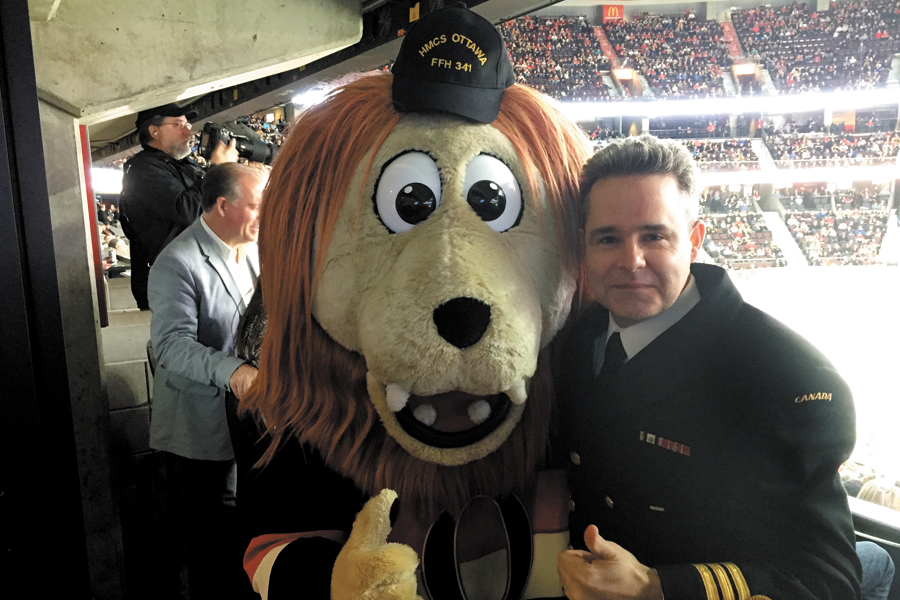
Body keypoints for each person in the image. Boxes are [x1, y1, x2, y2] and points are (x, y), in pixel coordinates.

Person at [556, 135, 861, 600]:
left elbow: (828, 582)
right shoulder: (576, 340)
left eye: (654, 236)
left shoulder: (785, 381)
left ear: (694, 240)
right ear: (584, 245)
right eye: (609, 238)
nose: (630, 261)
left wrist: (656, 586)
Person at [148, 162, 264, 600]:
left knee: (241, 528)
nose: (263, 215)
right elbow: (171, 346)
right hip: (202, 420)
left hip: (247, 416)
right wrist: (232, 370)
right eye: (255, 206)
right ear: (222, 205)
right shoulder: (177, 262)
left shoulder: (251, 250)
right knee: (213, 535)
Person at [119, 103, 237, 309]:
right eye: (179, 124)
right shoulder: (143, 169)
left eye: (188, 124)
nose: (188, 130)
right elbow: (190, 210)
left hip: (194, 276)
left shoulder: (182, 166)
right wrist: (217, 170)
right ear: (154, 131)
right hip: (171, 285)